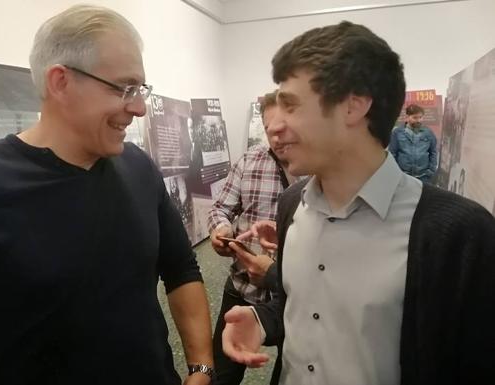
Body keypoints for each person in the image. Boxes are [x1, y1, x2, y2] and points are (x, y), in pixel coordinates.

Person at [0, 5, 213, 385]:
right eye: (124, 88)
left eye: (140, 89)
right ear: (60, 82)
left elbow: (181, 268)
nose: (137, 107)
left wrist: (201, 368)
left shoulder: (138, 167)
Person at [221, 21, 495, 385]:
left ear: (353, 106)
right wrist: (263, 320)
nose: (274, 126)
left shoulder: (460, 233)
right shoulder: (291, 207)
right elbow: (308, 305)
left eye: (291, 105)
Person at [207, 90, 296, 385]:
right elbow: (221, 208)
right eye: (272, 129)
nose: (279, 137)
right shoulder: (249, 161)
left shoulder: (318, 171)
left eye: (286, 126)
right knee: (223, 372)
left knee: (291, 370)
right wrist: (221, 231)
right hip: (242, 288)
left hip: (297, 298)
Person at [388, 104, 438, 183]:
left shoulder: (428, 133)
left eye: (420, 117)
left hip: (423, 177)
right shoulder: (397, 133)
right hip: (403, 177)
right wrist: (396, 172)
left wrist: (431, 171)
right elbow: (392, 153)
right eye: (415, 117)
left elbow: (433, 152)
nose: (418, 120)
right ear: (407, 117)